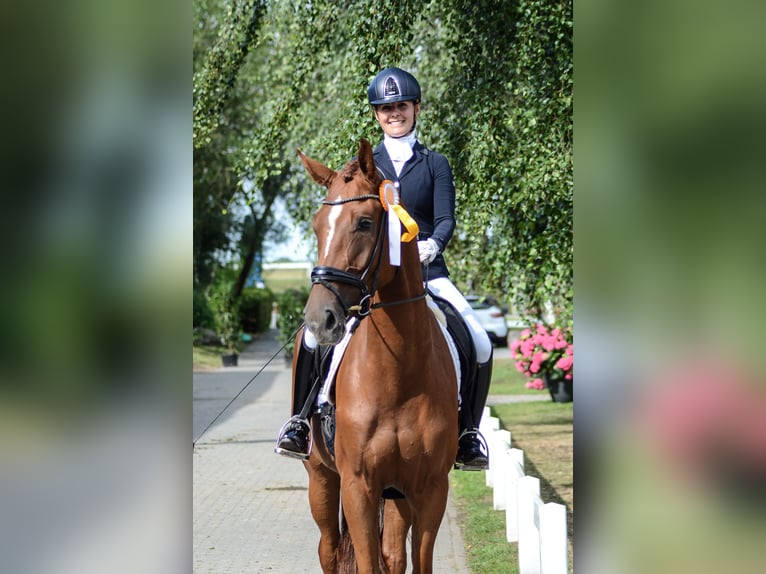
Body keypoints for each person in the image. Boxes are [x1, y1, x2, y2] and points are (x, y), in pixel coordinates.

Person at [275, 67, 493, 470]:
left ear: (416, 108)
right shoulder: (362, 165)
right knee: (313, 338)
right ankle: (300, 423)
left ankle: (467, 435)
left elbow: (445, 217)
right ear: (377, 114)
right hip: (371, 281)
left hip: (430, 274)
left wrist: (433, 244)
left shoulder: (435, 164)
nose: (395, 113)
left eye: (402, 106)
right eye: (386, 108)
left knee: (479, 340)